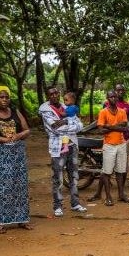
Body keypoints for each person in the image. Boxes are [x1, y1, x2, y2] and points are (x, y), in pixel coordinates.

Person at [0, 86, 32, 234]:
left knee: (20, 186)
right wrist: (3, 139)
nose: (4, 100)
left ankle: (22, 219)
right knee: (2, 188)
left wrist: (18, 136)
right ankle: (1, 222)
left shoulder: (15, 112)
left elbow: (27, 130)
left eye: (7, 97)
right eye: (1, 97)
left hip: (17, 155)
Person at [39, 86, 87, 217]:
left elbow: (80, 126)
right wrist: (69, 124)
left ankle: (75, 203)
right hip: (57, 147)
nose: (54, 95)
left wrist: (64, 121)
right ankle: (58, 205)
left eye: (56, 92)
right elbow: (55, 128)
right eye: (51, 94)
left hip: (72, 144)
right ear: (47, 96)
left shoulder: (67, 106)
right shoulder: (45, 110)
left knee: (74, 176)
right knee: (58, 177)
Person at [88, 83, 129, 202]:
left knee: (120, 171)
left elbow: (124, 126)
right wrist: (115, 127)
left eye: (115, 96)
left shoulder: (122, 111)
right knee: (106, 172)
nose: (114, 98)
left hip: (121, 143)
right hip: (109, 145)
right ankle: (108, 197)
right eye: (111, 97)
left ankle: (121, 194)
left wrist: (109, 126)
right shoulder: (103, 112)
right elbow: (101, 130)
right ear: (107, 99)